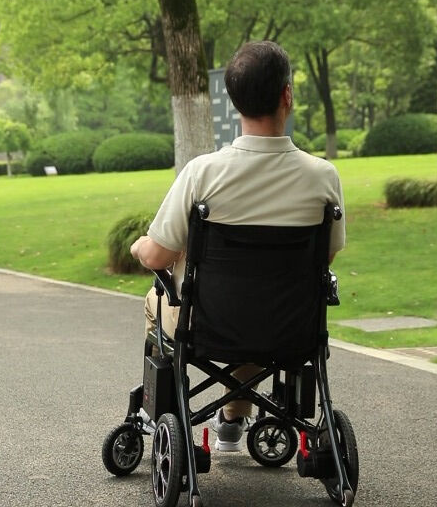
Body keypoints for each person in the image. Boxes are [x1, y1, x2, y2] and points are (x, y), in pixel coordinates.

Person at [130, 40, 345, 452]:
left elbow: (157, 256)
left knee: (159, 302)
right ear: (287, 95)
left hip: (211, 322)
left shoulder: (203, 174)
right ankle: (233, 416)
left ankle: (161, 415)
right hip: (290, 324)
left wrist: (140, 246)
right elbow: (326, 256)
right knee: (263, 302)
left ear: (233, 102)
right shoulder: (323, 178)